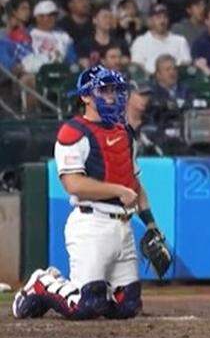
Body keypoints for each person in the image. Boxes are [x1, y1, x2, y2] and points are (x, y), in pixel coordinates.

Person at [11, 66, 169, 320]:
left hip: (123, 225)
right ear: (86, 96)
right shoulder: (74, 132)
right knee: (86, 306)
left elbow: (135, 183)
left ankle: (97, 288)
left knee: (127, 307)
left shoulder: (125, 132)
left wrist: (151, 223)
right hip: (91, 223)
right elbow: (73, 184)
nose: (112, 96)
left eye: (115, 90)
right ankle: (42, 283)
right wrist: (117, 190)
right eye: (104, 90)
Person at [129, 4, 191, 74]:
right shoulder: (140, 42)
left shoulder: (180, 41)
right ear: (150, 20)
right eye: (158, 17)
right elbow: (138, 67)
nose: (162, 21)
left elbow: (186, 64)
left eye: (165, 17)